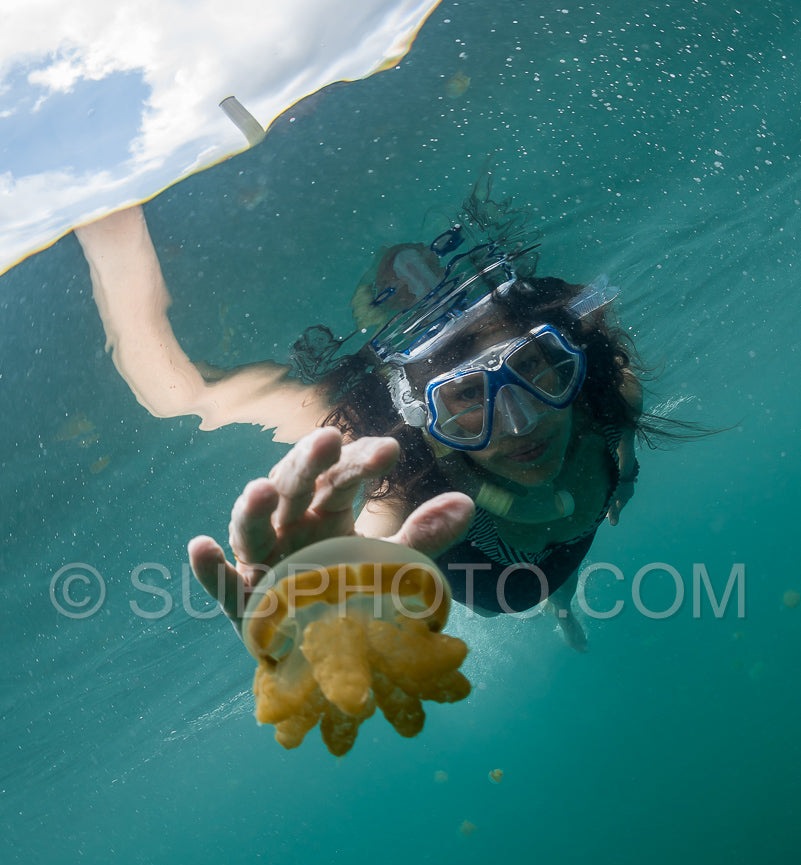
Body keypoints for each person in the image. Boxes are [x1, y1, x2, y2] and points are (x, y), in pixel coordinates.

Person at [75, 182, 691, 650]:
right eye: (465, 399)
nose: (520, 422)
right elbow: (180, 398)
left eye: (532, 368)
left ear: (563, 356)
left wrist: (626, 473)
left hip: (578, 538)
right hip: (498, 584)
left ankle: (564, 605)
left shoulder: (606, 390)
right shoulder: (407, 478)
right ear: (419, 413)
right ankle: (557, 601)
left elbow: (622, 423)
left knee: (564, 581)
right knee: (544, 584)